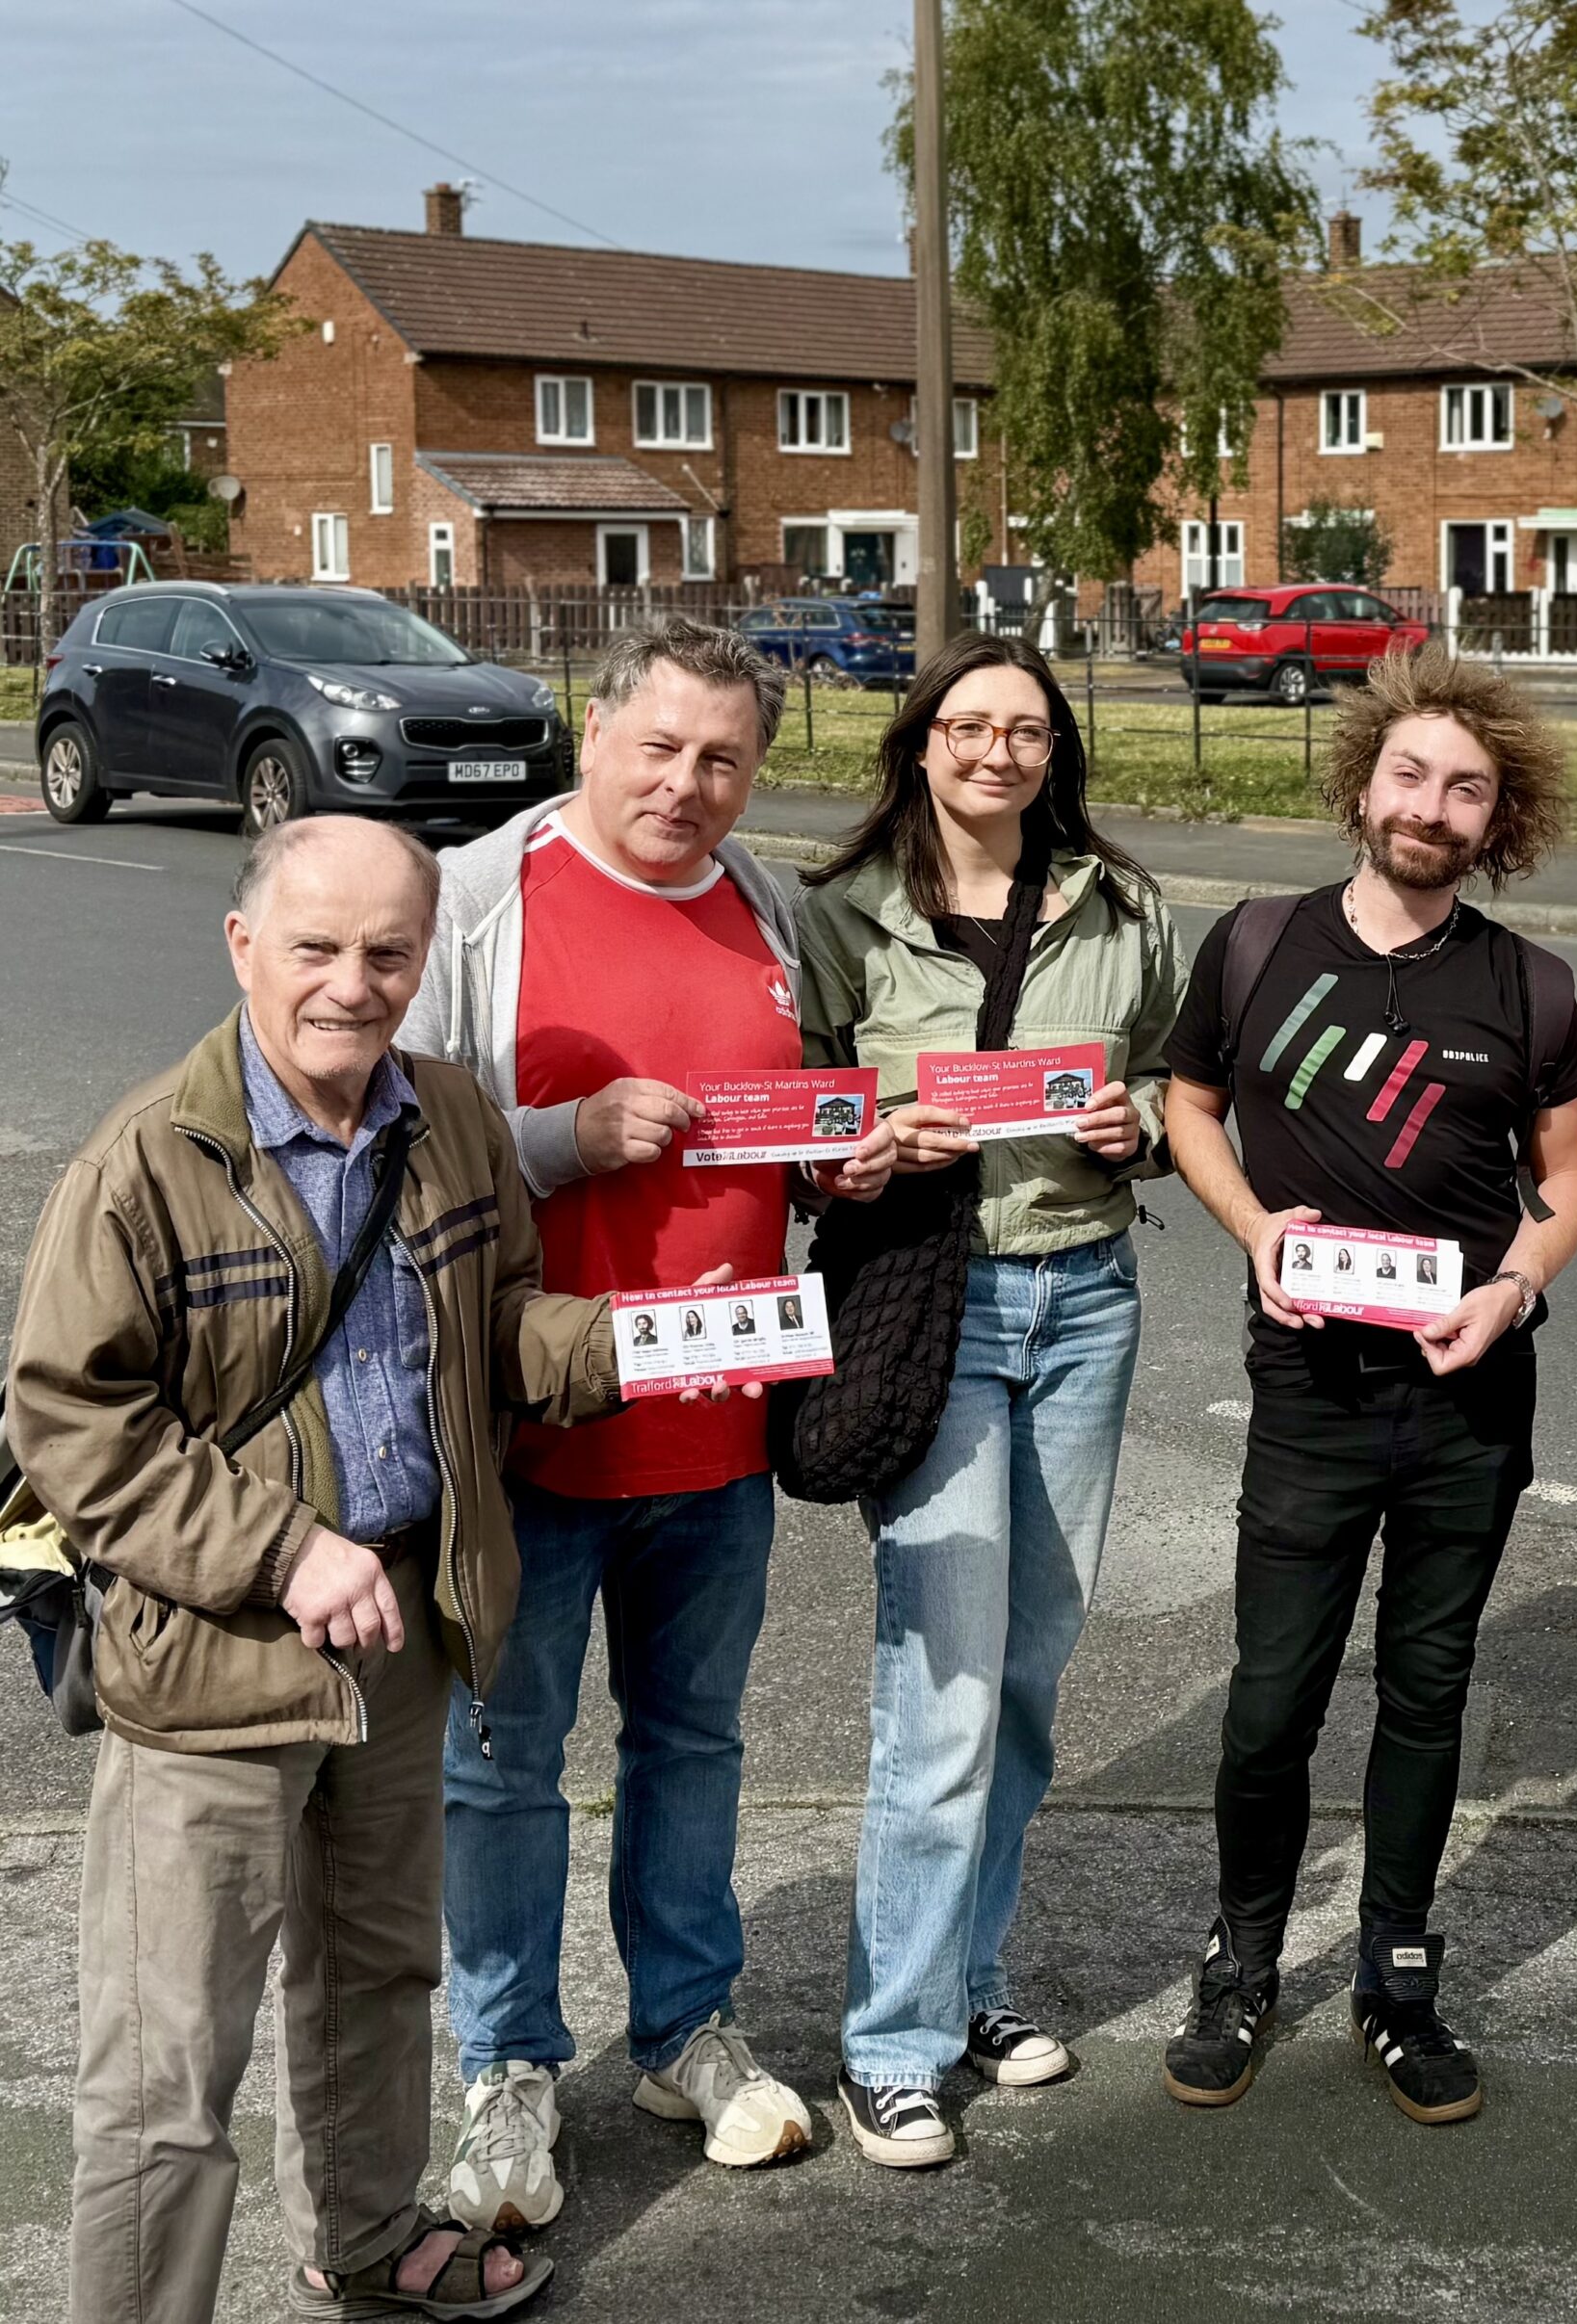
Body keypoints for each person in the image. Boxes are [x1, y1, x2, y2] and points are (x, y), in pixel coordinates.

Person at [9, 818, 623, 2323]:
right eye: (317, 948)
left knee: (373, 1974)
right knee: (167, 2065)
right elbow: (69, 1423)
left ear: (427, 956)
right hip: (214, 1661)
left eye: (390, 952)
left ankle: (359, 2239)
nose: (353, 984)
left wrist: (635, 1345)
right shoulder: (145, 1160)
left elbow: (503, 1322)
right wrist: (282, 1548)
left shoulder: (456, 1116)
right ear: (242, 950)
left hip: (404, 1631)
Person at [400, 617, 893, 2232]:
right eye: (662, 746)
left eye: (725, 759)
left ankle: (685, 2028)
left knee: (695, 1743)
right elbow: (399, 1148)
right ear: (592, 728)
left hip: (718, 1428)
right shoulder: (480, 900)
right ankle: (510, 2061)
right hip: (532, 1427)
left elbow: (803, 1118)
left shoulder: (773, 907)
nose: (688, 783)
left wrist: (846, 1159)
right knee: (506, 1765)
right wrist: (566, 1134)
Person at [1160, 643, 1577, 2127]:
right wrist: (1253, 1226)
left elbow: (1566, 1182)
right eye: (1411, 773)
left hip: (1469, 1397)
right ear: (1362, 783)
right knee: (1271, 1699)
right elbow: (1191, 1107)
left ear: (1498, 818)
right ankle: (1242, 1962)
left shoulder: (1530, 984)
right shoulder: (1258, 943)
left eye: (1467, 787)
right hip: (1309, 1386)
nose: (1433, 804)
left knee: (1428, 1693)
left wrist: (1516, 1286)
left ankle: (1399, 1982)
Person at [796, 632, 1186, 2166]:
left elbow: (1175, 1078)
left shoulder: (1126, 905)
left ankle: (970, 1984)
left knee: (1027, 1669)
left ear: (1056, 751)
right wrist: (857, 1151)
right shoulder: (842, 914)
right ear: (922, 743)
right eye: (970, 726)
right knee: (941, 1689)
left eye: (1026, 730)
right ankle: (886, 2045)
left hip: (1085, 1296)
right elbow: (798, 1113)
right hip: (930, 1300)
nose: (998, 753)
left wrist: (1135, 1122)